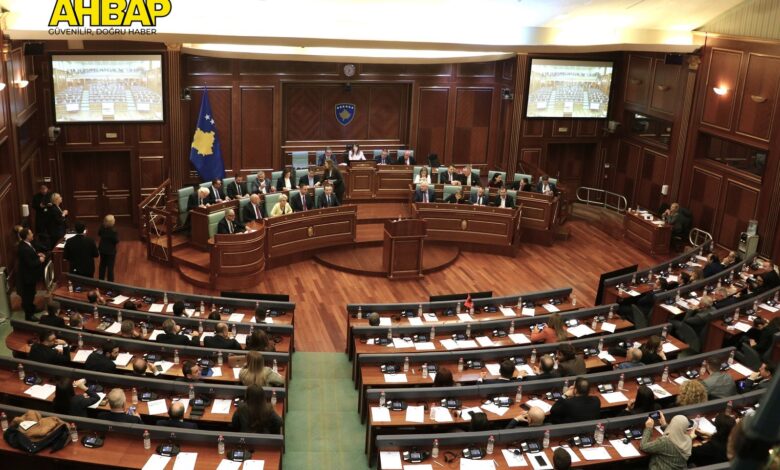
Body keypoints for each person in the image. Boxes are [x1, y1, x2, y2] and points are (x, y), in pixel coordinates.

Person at [17, 228, 45, 320]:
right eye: (31, 233)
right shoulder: (24, 249)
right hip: (27, 277)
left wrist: (37, 255)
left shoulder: (25, 244)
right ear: (27, 236)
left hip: (30, 276)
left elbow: (30, 257)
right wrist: (40, 260)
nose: (32, 234)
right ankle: (29, 315)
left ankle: (32, 308)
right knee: (28, 296)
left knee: (31, 294)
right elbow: (30, 264)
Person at [97, 214, 119, 282]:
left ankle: (101, 280)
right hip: (110, 251)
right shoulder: (113, 231)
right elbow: (116, 241)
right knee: (110, 267)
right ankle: (110, 282)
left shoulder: (102, 228)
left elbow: (99, 234)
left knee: (102, 265)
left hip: (102, 249)